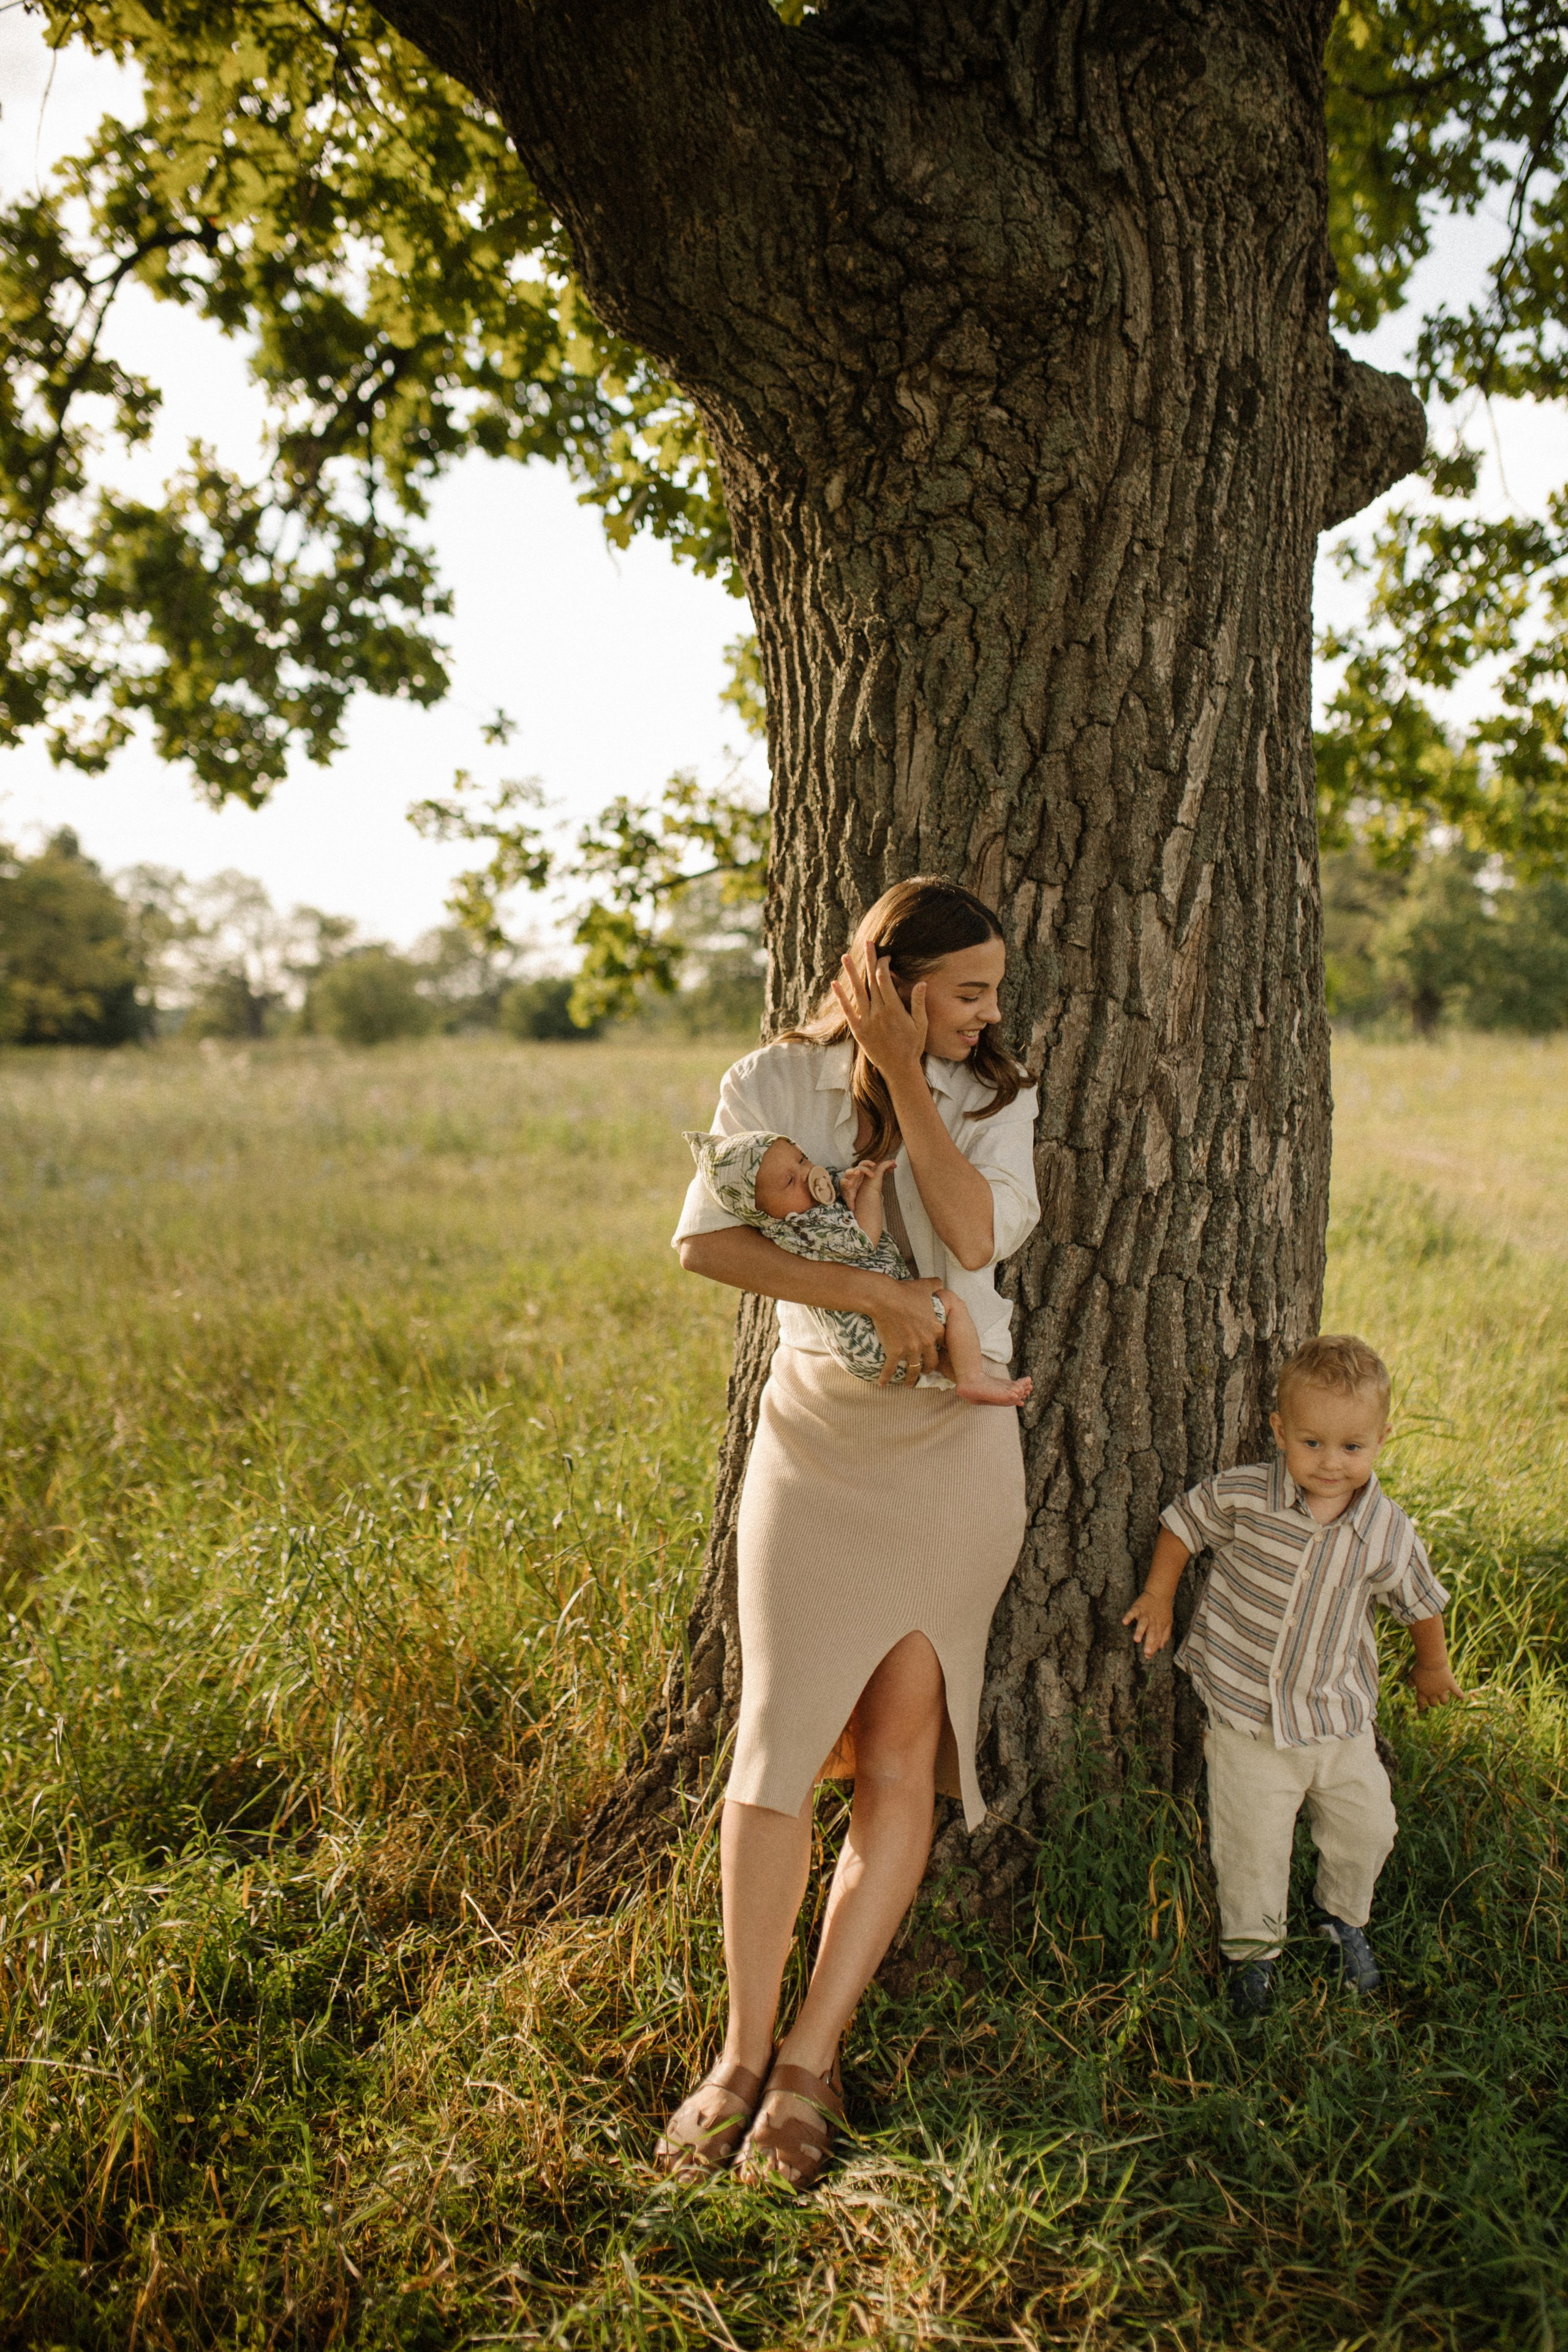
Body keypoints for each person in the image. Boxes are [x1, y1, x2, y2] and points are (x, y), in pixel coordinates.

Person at [657, 876, 1040, 2188]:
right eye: (967, 990)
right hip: (817, 1447)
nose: (990, 1011)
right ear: (883, 974)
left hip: (952, 1455)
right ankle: (736, 2051)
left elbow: (979, 1236)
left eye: (990, 989)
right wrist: (862, 1290)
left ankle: (810, 2063)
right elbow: (706, 1244)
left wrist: (907, 1071)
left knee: (896, 1749)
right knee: (774, 1737)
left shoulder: (991, 1095)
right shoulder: (768, 1081)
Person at [1122, 1332, 1464, 2019]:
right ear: (1279, 1431)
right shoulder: (1247, 1495)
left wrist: (1432, 1665)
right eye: (1311, 1443)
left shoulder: (1386, 1531)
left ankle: (1341, 1918)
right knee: (1251, 1847)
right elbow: (1184, 1525)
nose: (1331, 1464)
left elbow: (1420, 1602)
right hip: (1248, 1718)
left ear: (1380, 1439)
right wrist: (1160, 1594)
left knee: (1368, 1828)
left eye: (1351, 1447)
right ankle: (1252, 1958)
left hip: (1338, 1721)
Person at [682, 1128, 1034, 1406]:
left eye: (803, 1160)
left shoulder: (803, 1213)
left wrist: (844, 1193)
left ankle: (951, 1371)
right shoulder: (802, 1228)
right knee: (951, 1303)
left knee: (939, 1346)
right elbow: (863, 1238)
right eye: (789, 1181)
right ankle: (973, 1378)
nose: (807, 1175)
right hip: (869, 1338)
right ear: (760, 1211)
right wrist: (870, 1192)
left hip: (860, 1350)